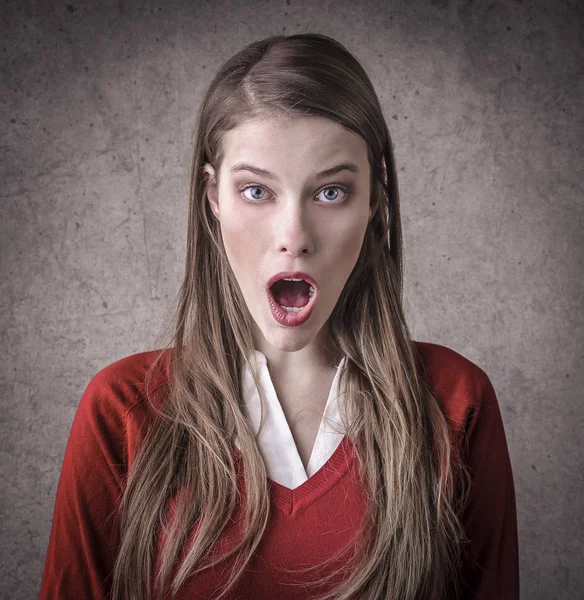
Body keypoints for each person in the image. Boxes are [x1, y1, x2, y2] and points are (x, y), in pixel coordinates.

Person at [39, 33, 519, 600]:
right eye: (256, 191)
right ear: (212, 198)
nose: (293, 237)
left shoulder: (456, 404)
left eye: (332, 192)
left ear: (375, 202)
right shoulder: (122, 411)